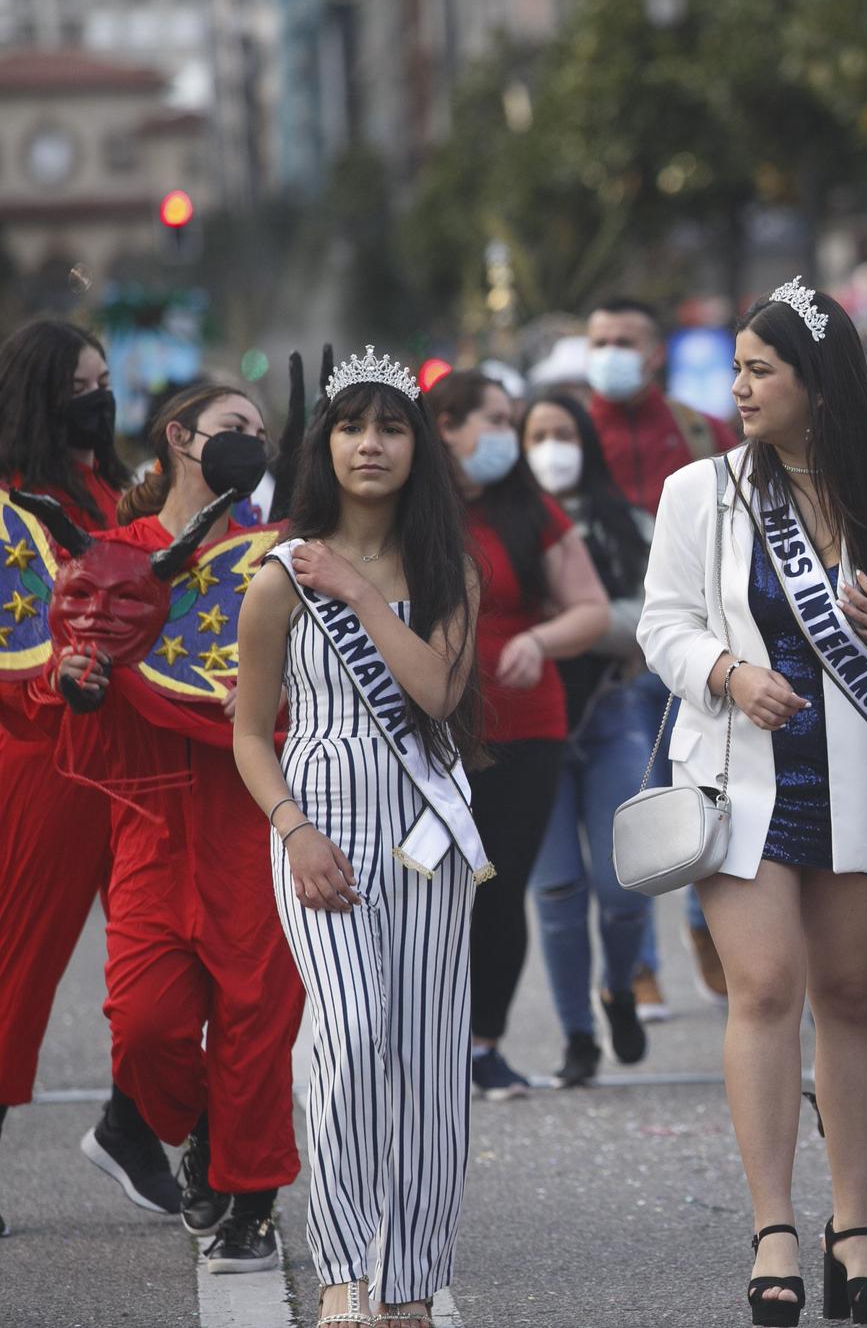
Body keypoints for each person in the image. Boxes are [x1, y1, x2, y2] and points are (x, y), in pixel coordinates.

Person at [637, 276, 867, 1327]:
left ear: (814, 382)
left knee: (853, 998)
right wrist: (726, 671)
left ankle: (852, 1224)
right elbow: (661, 623)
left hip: (860, 777)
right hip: (743, 774)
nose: (738, 388)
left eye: (756, 370)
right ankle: (775, 1221)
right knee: (764, 988)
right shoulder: (702, 489)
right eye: (735, 369)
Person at [234, 345, 489, 1327]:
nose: (370, 445)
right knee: (352, 1029)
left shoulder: (447, 570)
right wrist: (292, 830)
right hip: (320, 820)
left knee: (427, 1055)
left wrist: (356, 589)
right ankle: (343, 1265)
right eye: (351, 426)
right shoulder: (278, 578)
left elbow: (434, 691)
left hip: (425, 827)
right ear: (324, 444)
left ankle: (413, 1284)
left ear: (415, 443)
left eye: (389, 427)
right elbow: (249, 732)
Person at [41, 383, 305, 1274]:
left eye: (263, 436)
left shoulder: (277, 561)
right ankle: (199, 1134)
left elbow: (323, 675)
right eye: (236, 430)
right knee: (144, 1025)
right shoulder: (113, 552)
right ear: (181, 437)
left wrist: (281, 697)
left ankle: (252, 1199)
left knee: (259, 1023)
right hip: (150, 820)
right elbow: (63, 669)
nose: (252, 445)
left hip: (253, 817)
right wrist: (69, 679)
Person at [0, 320, 153, 1234]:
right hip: (45, 763)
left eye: (105, 378)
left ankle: (141, 1125)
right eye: (81, 385)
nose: (101, 397)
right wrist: (58, 682)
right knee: (19, 969)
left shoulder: (102, 486)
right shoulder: (12, 506)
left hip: (131, 756)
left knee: (168, 951)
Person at [427, 369, 611, 1099]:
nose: (509, 435)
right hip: (431, 729)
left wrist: (542, 638)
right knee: (432, 891)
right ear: (446, 427)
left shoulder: (528, 509)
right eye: (496, 420)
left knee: (498, 888)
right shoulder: (417, 511)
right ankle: (428, 1039)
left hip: (526, 729)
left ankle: (484, 1044)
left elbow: (591, 608)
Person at [517, 392, 675, 1085]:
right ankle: (578, 1037)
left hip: (611, 715)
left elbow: (655, 618)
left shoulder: (628, 525)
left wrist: (568, 619)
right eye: (537, 434)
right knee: (556, 893)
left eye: (564, 433)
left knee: (622, 887)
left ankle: (618, 986)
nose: (551, 447)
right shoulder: (503, 525)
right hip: (531, 727)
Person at [584, 294, 735, 1013]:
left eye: (625, 338)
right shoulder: (572, 432)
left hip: (698, 651)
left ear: (655, 353)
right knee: (632, 803)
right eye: (600, 338)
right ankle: (638, 965)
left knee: (714, 792)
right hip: (614, 660)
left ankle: (708, 925)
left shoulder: (700, 431)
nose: (610, 350)